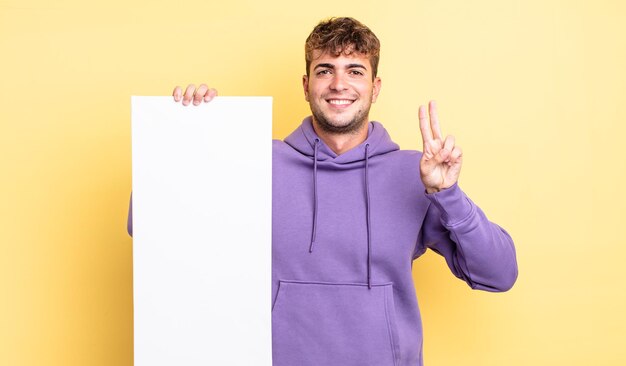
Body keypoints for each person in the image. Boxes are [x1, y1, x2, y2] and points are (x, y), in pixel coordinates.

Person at [127, 17, 518, 366]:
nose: (339, 84)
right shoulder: (254, 162)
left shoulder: (416, 173)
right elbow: (147, 226)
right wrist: (183, 138)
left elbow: (499, 274)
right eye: (325, 70)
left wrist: (448, 195)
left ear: (375, 87)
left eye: (355, 71)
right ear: (306, 84)